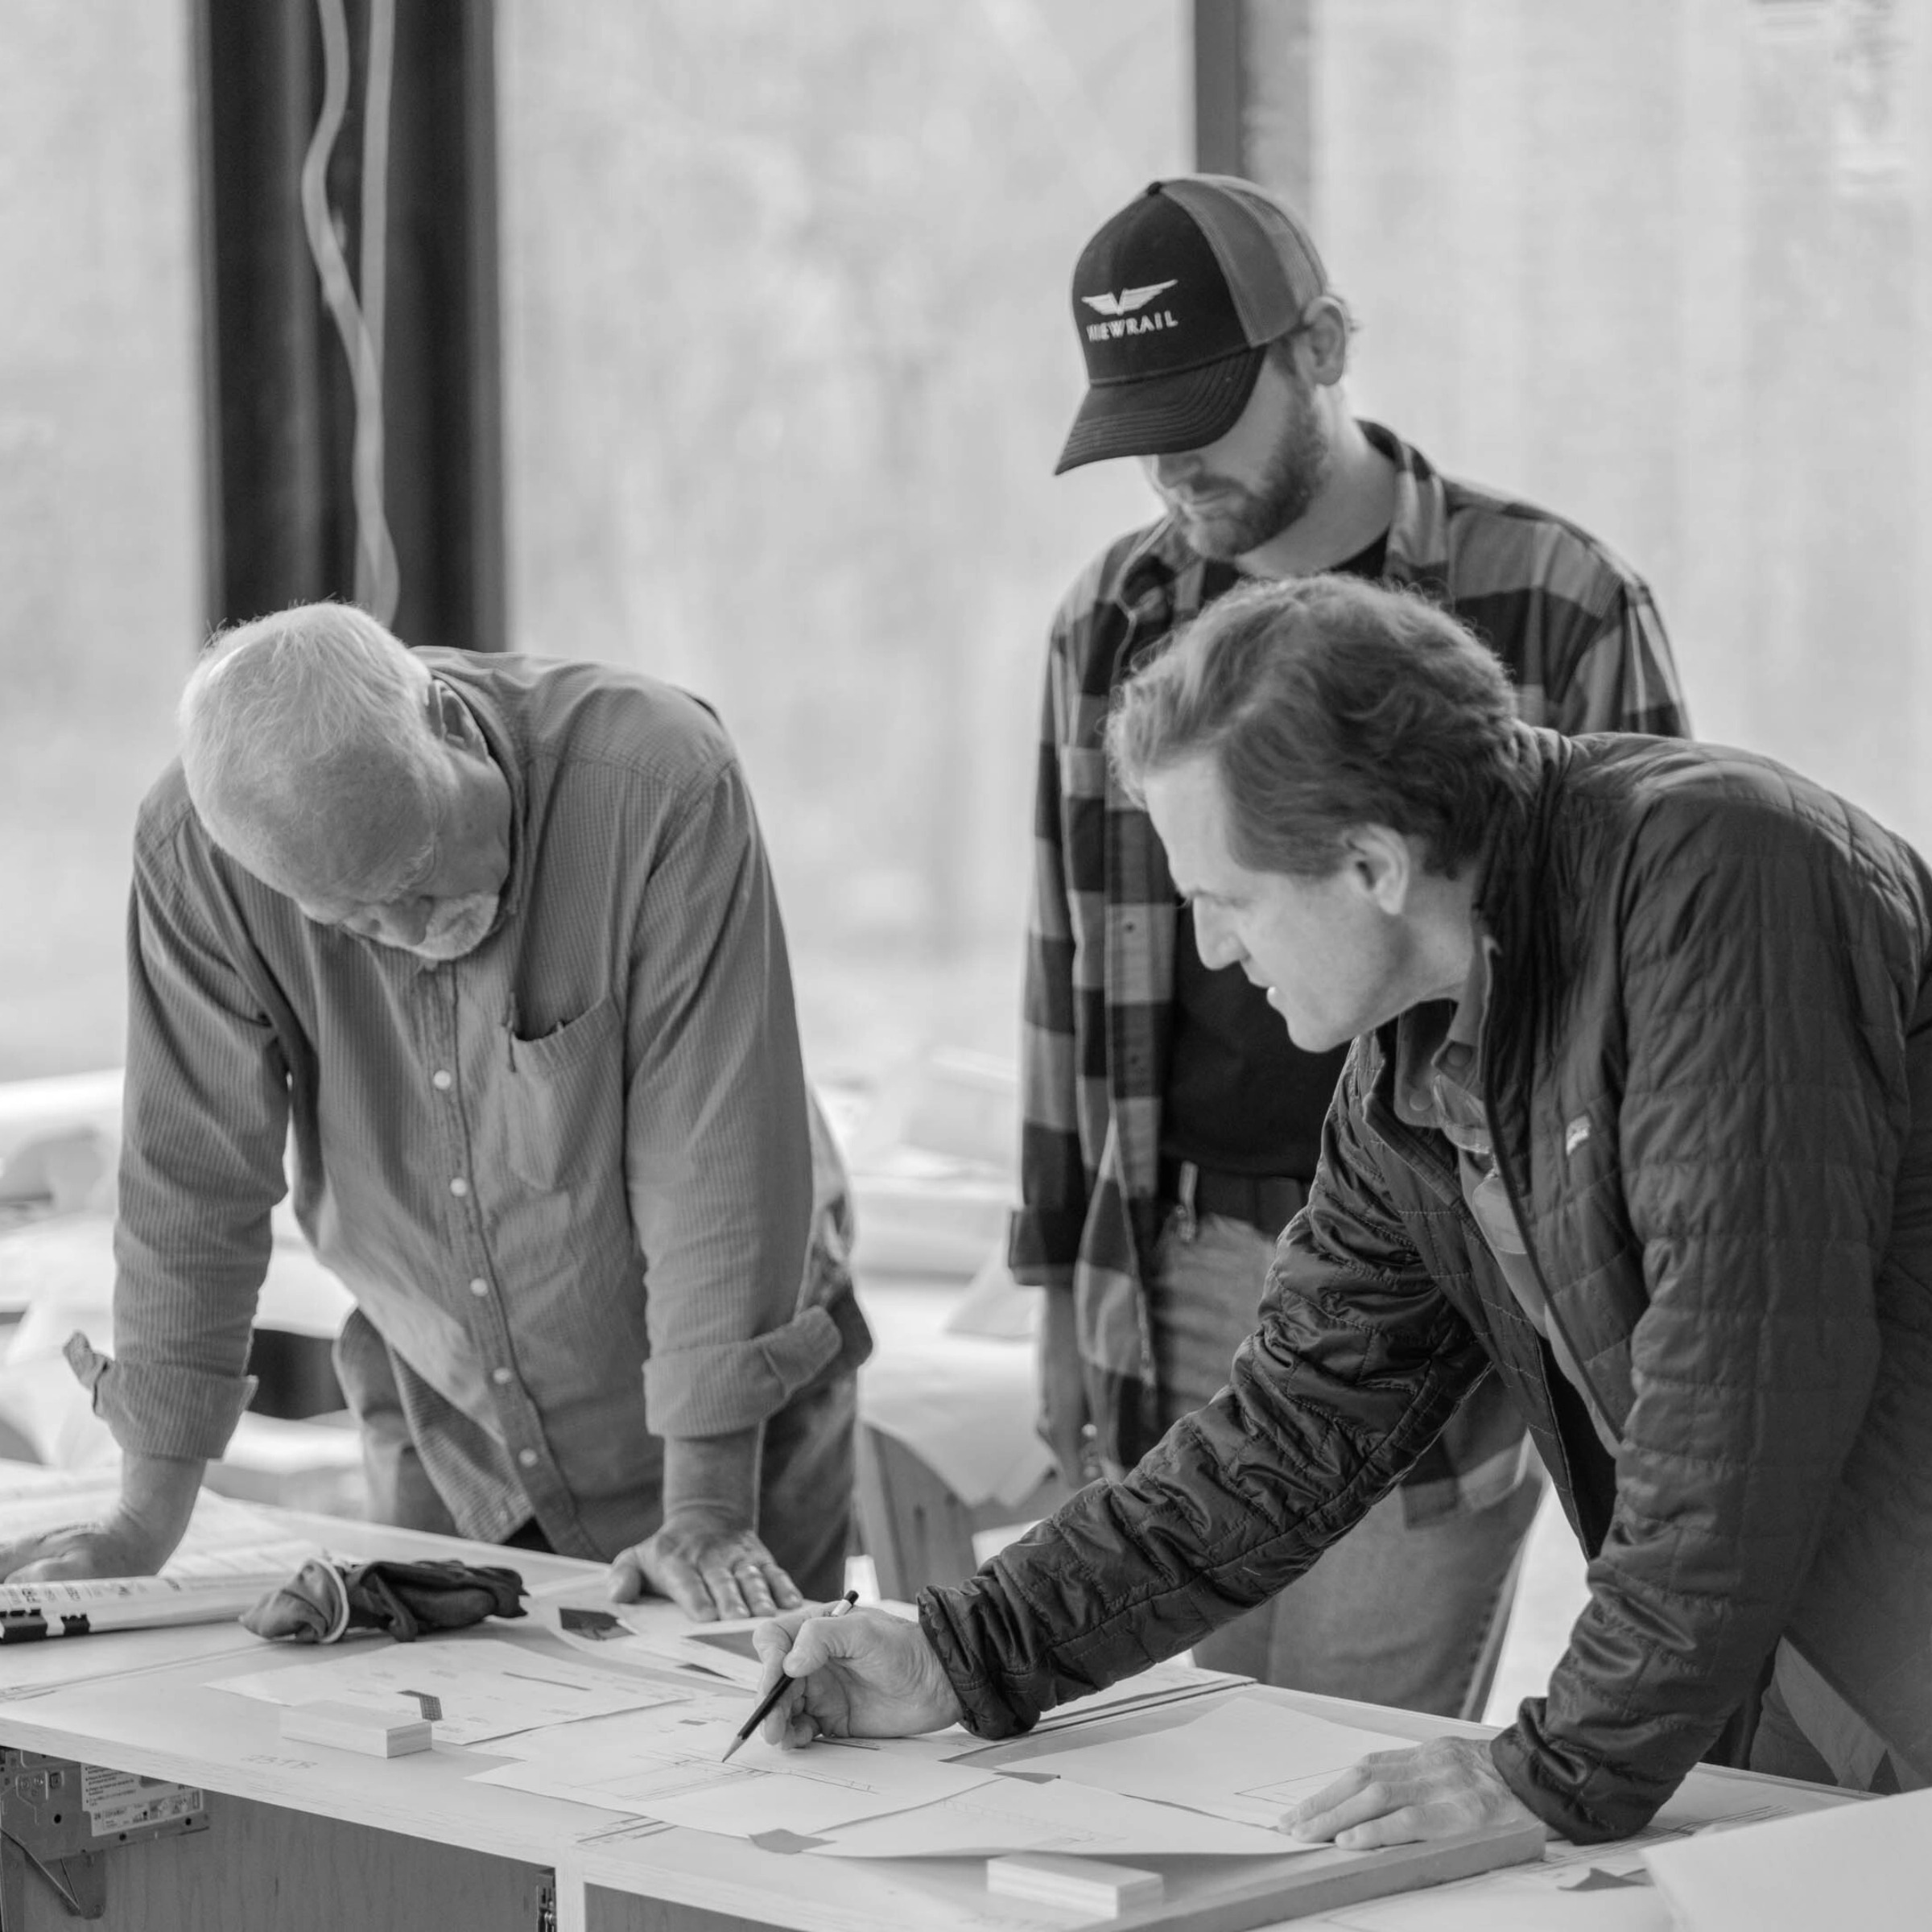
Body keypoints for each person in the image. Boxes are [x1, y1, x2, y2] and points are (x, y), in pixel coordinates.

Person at [753, 573, 1932, 1845]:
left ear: (1371, 863)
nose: (1211, 951)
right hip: (1779, 1649)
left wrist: (1551, 1773)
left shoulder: (1723, 881)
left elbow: (1735, 1402)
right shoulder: (1410, 1068)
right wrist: (964, 1650)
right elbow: (1291, 1428)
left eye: (1227, 899)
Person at [1021, 173, 1687, 1711]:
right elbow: (1065, 963)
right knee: (1173, 1755)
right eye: (1136, 427)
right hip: (1181, 1249)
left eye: (1201, 408)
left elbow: (1652, 1000)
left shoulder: (1560, 602)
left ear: (1320, 347)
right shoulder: (1110, 620)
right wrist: (1059, 1278)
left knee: (1350, 1769)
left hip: (1450, 1279)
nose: (1170, 467)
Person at [0, 604, 869, 1620]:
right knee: (442, 1760)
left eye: (415, 880)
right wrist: (141, 1522)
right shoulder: (197, 856)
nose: (410, 934)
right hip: (447, 1409)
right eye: (354, 920)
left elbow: (715, 1166)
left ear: (448, 726)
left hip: (724, 1421)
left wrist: (711, 1507)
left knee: (740, 1739)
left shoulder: (660, 784)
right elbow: (192, 1180)